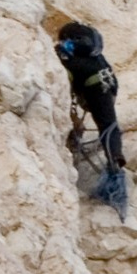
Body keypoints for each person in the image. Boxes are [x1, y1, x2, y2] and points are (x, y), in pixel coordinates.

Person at [52, 22, 127, 214]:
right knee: (109, 126)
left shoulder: (68, 59)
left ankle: (72, 136)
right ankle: (115, 161)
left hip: (91, 88)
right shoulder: (95, 58)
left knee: (104, 124)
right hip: (105, 88)